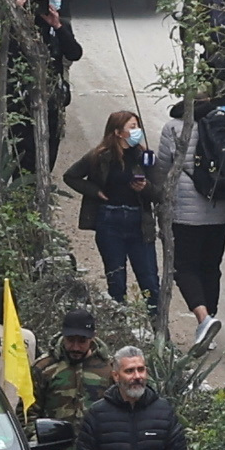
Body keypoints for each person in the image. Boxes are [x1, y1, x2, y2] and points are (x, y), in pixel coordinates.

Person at [159, 97, 225, 336]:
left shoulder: (173, 126)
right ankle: (210, 321)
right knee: (210, 267)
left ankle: (204, 318)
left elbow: (163, 167)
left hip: (185, 212)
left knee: (184, 267)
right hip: (220, 209)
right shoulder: (222, 123)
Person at [67, 110, 162, 309]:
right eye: (132, 127)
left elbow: (160, 193)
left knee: (150, 283)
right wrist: (95, 191)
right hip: (109, 222)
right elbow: (71, 176)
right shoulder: (100, 156)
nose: (137, 131)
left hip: (139, 224)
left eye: (138, 126)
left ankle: (160, 334)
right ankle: (121, 327)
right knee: (116, 282)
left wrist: (145, 188)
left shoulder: (145, 157)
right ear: (118, 132)